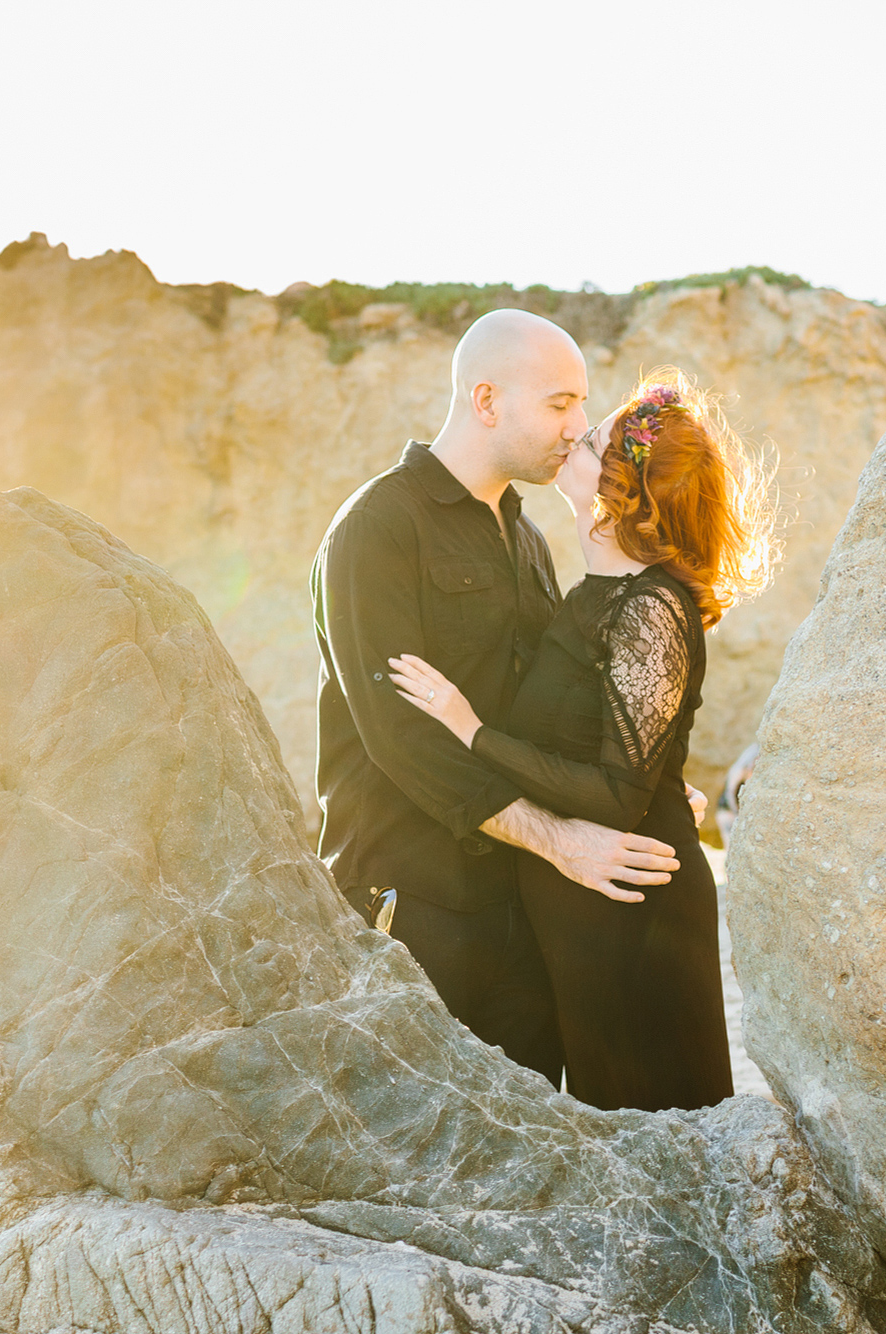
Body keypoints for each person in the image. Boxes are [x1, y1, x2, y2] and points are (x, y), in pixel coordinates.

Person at [311, 309, 687, 1086]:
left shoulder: (528, 539)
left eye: (582, 404)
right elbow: (399, 738)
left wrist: (644, 778)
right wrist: (559, 840)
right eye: (559, 404)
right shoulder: (377, 528)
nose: (580, 427)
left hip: (521, 911)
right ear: (487, 402)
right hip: (413, 905)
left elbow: (549, 714)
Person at [389, 368, 781, 1112]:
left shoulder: (651, 607)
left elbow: (617, 795)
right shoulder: (593, 593)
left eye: (592, 435)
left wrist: (470, 731)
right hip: (582, 904)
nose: (575, 432)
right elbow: (605, 748)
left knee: (653, 1120)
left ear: (620, 485)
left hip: (633, 905)